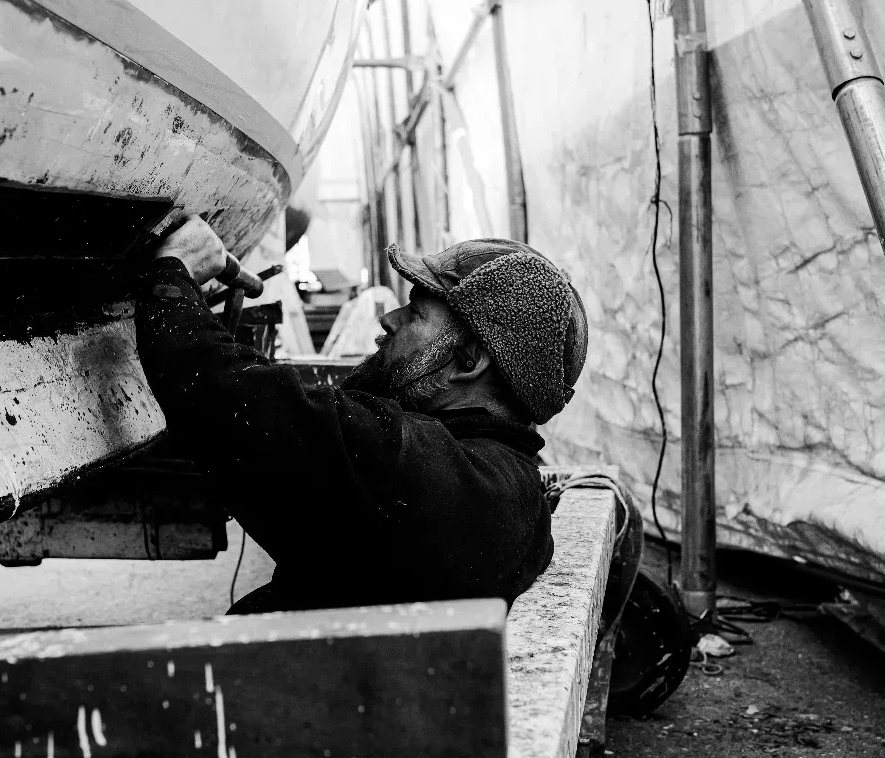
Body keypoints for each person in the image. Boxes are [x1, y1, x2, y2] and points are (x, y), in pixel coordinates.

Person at [134, 216, 588, 614]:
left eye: (416, 313)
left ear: (470, 360)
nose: (389, 318)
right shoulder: (503, 480)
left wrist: (172, 270)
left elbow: (221, 391)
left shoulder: (413, 465)